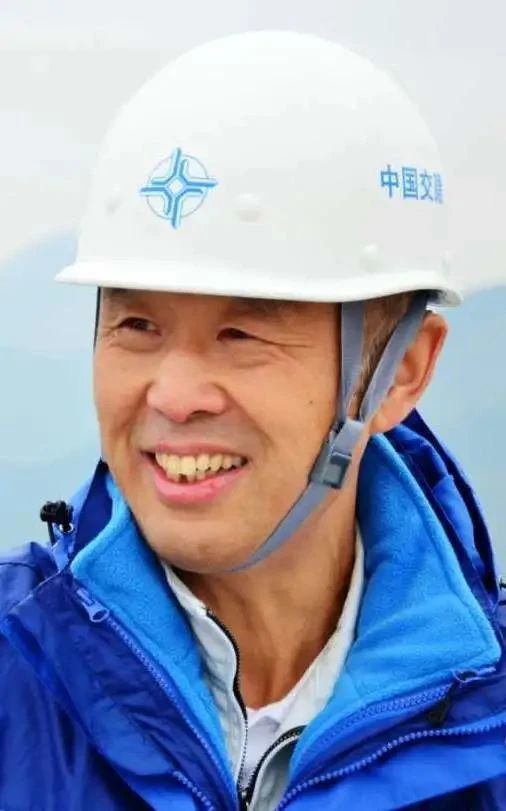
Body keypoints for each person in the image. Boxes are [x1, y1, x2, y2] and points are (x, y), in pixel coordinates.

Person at [1, 30, 505, 811]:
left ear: (401, 369)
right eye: (137, 325)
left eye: (241, 334)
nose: (173, 395)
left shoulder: (484, 723)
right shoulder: (19, 677)